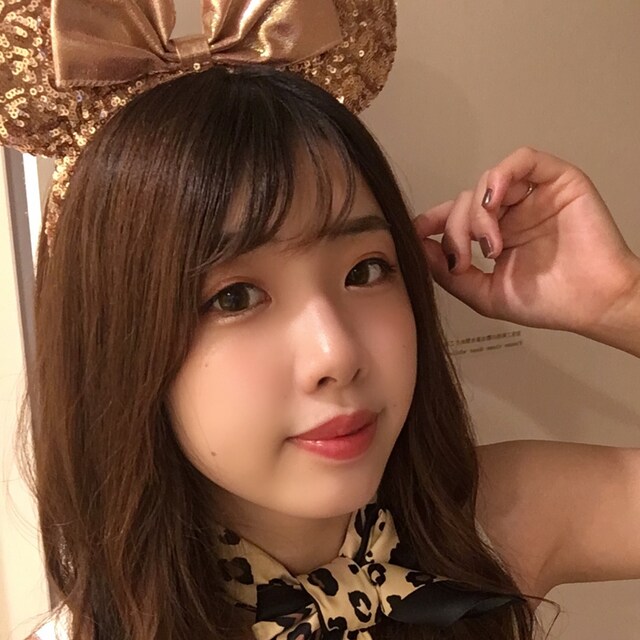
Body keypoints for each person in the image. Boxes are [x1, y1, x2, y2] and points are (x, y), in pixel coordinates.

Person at [1, 3, 638, 640]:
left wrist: (621, 301)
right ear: (118, 344)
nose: (336, 353)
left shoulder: (492, 521)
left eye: (365, 270)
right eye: (235, 297)